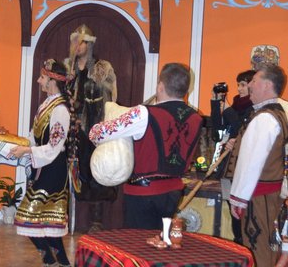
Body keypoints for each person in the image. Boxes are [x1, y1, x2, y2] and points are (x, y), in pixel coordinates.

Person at [89, 63, 203, 229]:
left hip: (142, 194)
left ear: (160, 86)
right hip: (173, 193)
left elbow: (97, 133)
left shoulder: (144, 113)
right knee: (161, 240)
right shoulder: (196, 118)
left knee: (138, 243)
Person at [10, 59, 71, 267]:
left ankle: (50, 259)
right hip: (45, 167)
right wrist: (16, 144)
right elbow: (34, 136)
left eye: (42, 77)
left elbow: (54, 146)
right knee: (47, 221)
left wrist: (27, 151)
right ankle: (60, 262)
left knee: (27, 215)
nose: (38, 80)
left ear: (52, 81)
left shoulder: (60, 109)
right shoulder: (47, 104)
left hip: (54, 169)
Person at [228, 63, 288, 266]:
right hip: (269, 197)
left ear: (267, 85)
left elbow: (250, 163)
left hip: (259, 200)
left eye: (254, 81)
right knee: (269, 248)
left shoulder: (265, 118)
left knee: (259, 251)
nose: (250, 85)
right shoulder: (277, 114)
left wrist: (238, 199)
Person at [64, 24, 118, 231]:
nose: (77, 46)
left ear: (90, 44)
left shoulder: (101, 68)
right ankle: (65, 215)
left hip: (94, 126)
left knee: (96, 171)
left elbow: (108, 98)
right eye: (75, 42)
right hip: (71, 126)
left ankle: (96, 220)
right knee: (71, 170)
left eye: (82, 42)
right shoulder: (67, 67)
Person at [210, 69, 255, 244]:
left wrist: (227, 109)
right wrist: (216, 104)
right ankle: (238, 241)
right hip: (227, 169)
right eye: (238, 85)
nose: (239, 89)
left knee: (243, 212)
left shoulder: (254, 108)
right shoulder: (235, 106)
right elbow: (217, 132)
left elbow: (240, 129)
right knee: (232, 210)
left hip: (241, 169)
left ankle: (244, 243)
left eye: (243, 85)